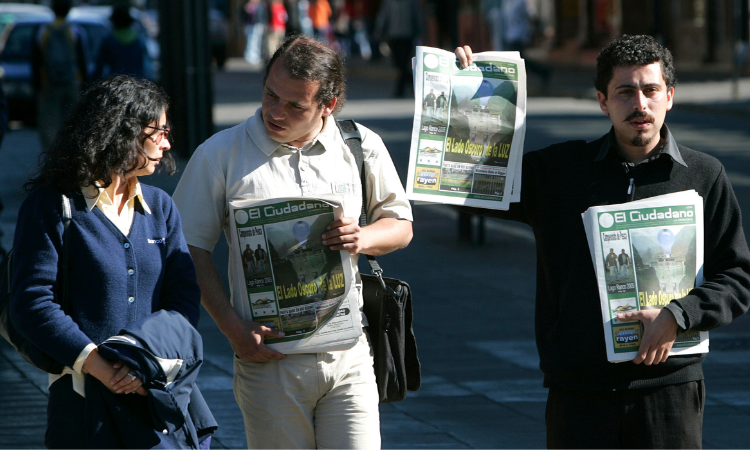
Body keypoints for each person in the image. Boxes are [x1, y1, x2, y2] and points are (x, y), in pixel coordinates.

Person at [455, 35, 750, 448]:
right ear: (602, 100)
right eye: (625, 92)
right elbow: (466, 186)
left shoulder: (705, 175)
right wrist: (466, 88)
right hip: (579, 392)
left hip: (668, 391)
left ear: (669, 96)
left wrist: (678, 315)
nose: (640, 105)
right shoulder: (559, 171)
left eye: (650, 90)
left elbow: (736, 277)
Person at [172, 34, 413, 448]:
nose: (275, 111)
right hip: (270, 361)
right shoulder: (220, 153)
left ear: (328, 106)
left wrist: (363, 236)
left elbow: (401, 224)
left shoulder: (359, 145)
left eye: (294, 105)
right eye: (270, 95)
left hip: (349, 355)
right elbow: (187, 247)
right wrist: (232, 328)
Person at [10, 75, 206, 448]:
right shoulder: (53, 205)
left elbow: (183, 299)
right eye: (158, 131)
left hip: (153, 398)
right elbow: (32, 303)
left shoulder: (160, 208)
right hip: (82, 405)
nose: (167, 142)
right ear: (123, 132)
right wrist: (98, 364)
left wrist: (143, 364)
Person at [32, 0, 88, 151]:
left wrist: (38, 86)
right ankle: (69, 152)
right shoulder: (75, 31)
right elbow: (82, 61)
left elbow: (36, 61)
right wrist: (84, 85)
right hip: (72, 82)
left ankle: (52, 155)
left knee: (50, 121)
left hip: (49, 83)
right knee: (72, 119)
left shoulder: (43, 31)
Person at [374, 0, 423, 98]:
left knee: (403, 63)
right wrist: (379, 30)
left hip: (407, 36)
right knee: (399, 63)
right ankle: (414, 86)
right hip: (393, 36)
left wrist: (420, 31)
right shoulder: (389, 2)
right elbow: (384, 16)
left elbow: (417, 15)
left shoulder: (412, 2)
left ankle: (400, 90)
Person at [93, 5, 153, 81]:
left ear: (114, 22)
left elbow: (99, 68)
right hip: (137, 83)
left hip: (116, 84)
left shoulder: (109, 41)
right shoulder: (138, 41)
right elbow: (147, 67)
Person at [243, 0, 268, 65]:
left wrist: (263, 23)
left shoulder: (261, 5)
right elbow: (245, 16)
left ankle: (256, 56)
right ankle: (249, 56)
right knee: (250, 41)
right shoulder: (248, 5)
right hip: (250, 25)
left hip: (258, 24)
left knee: (257, 42)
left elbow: (264, 15)